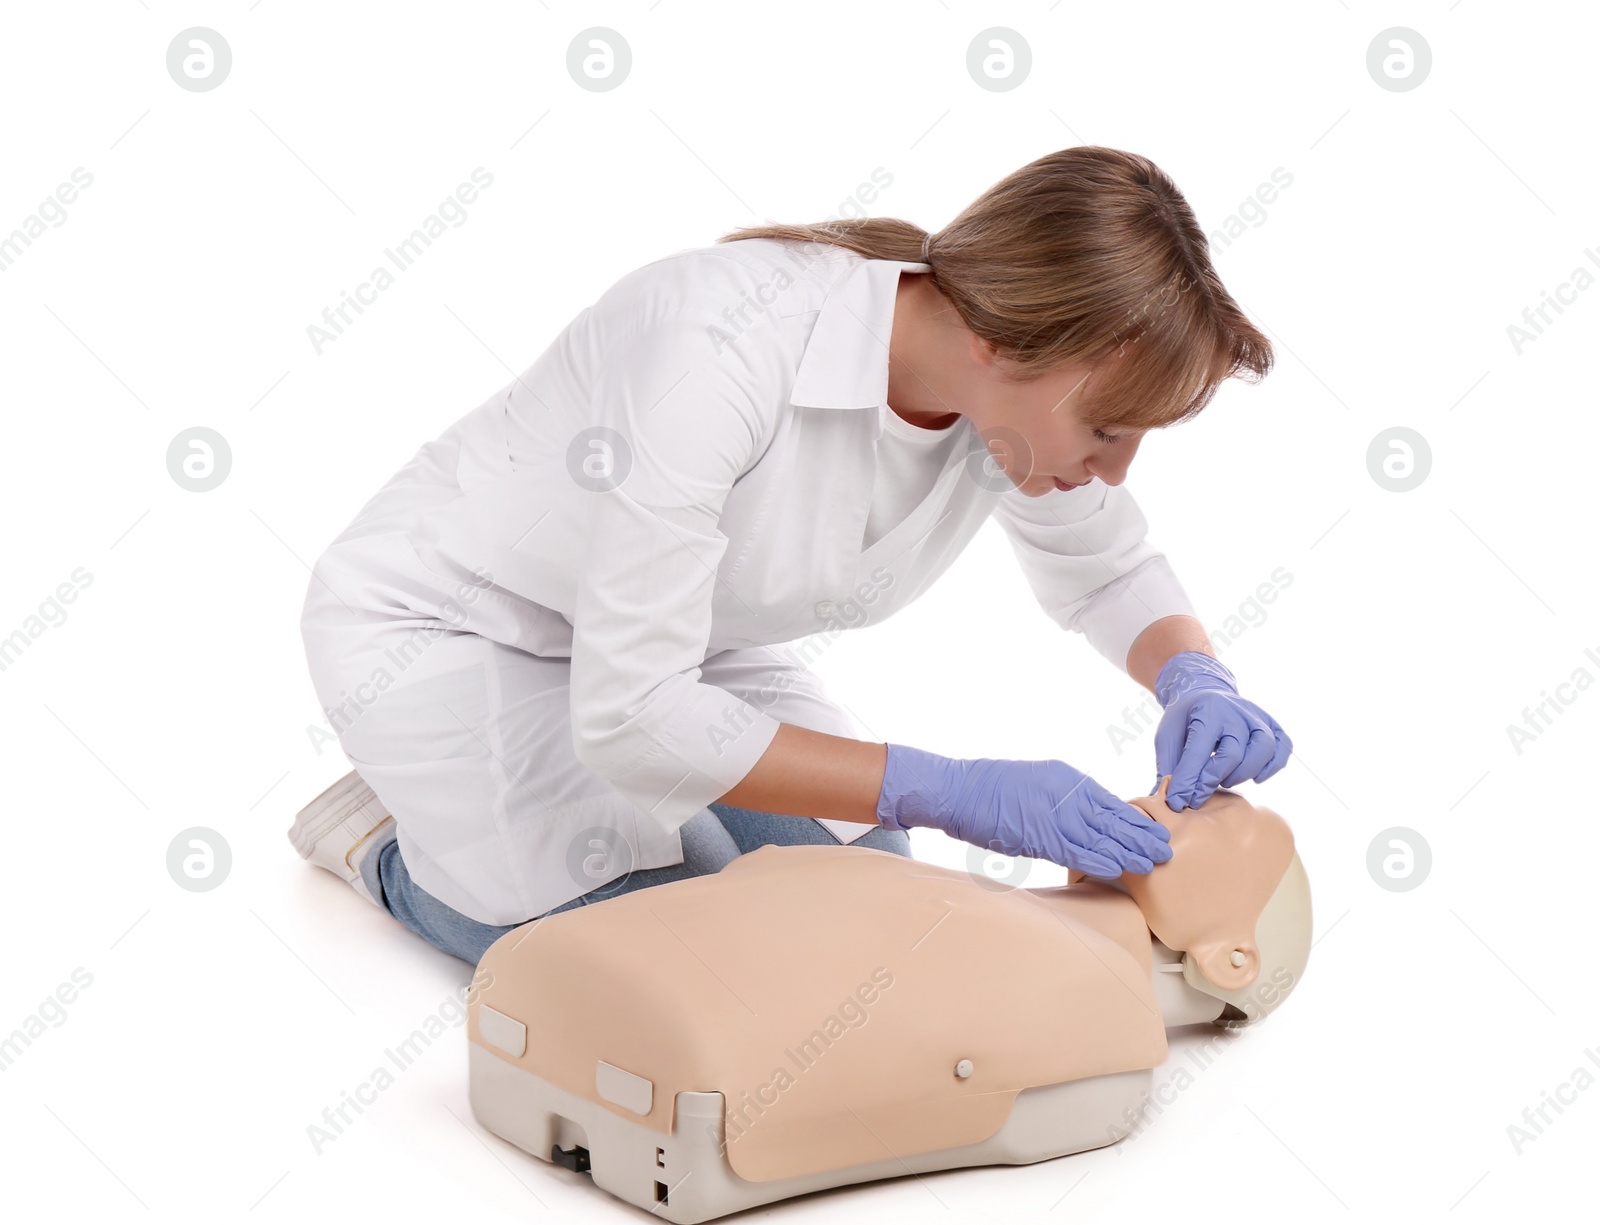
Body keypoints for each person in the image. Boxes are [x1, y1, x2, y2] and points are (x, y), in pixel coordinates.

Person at [289, 146, 1293, 965]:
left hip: (683, 649)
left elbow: (1108, 567)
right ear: (1003, 338)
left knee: (864, 884)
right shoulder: (715, 344)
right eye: (1111, 428)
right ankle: (383, 841)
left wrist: (1192, 676)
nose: (1114, 471)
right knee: (633, 949)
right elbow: (632, 716)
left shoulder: (997, 409)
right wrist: (950, 786)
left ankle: (566, 827)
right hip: (454, 628)